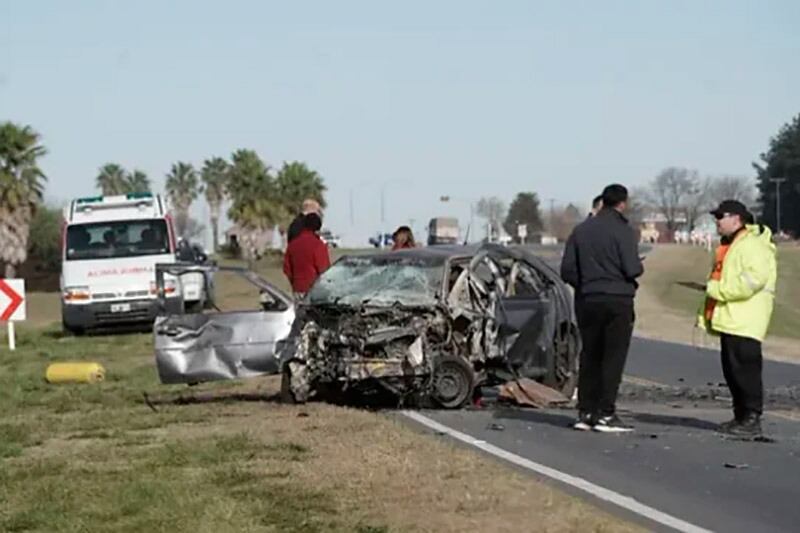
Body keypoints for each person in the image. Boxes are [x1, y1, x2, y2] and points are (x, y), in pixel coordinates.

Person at [560, 184, 644, 433]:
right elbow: (632, 268)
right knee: (613, 358)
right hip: (617, 300)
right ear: (622, 203)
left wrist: (586, 285)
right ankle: (606, 413)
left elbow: (567, 270)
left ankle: (585, 412)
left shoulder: (581, 231)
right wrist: (637, 269)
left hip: (588, 299)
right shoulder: (624, 232)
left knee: (590, 356)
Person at [697, 200, 776, 437]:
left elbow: (754, 280)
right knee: (732, 371)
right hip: (731, 317)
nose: (717, 222)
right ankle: (740, 416)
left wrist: (717, 290)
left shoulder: (752, 245)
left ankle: (751, 418)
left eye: (721, 217)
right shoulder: (732, 245)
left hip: (746, 318)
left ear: (737, 219)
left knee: (745, 371)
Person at [283, 213, 330, 300]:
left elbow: (287, 269)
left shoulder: (293, 245)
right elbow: (324, 271)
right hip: (315, 291)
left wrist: (295, 283)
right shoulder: (318, 245)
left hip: (297, 290)